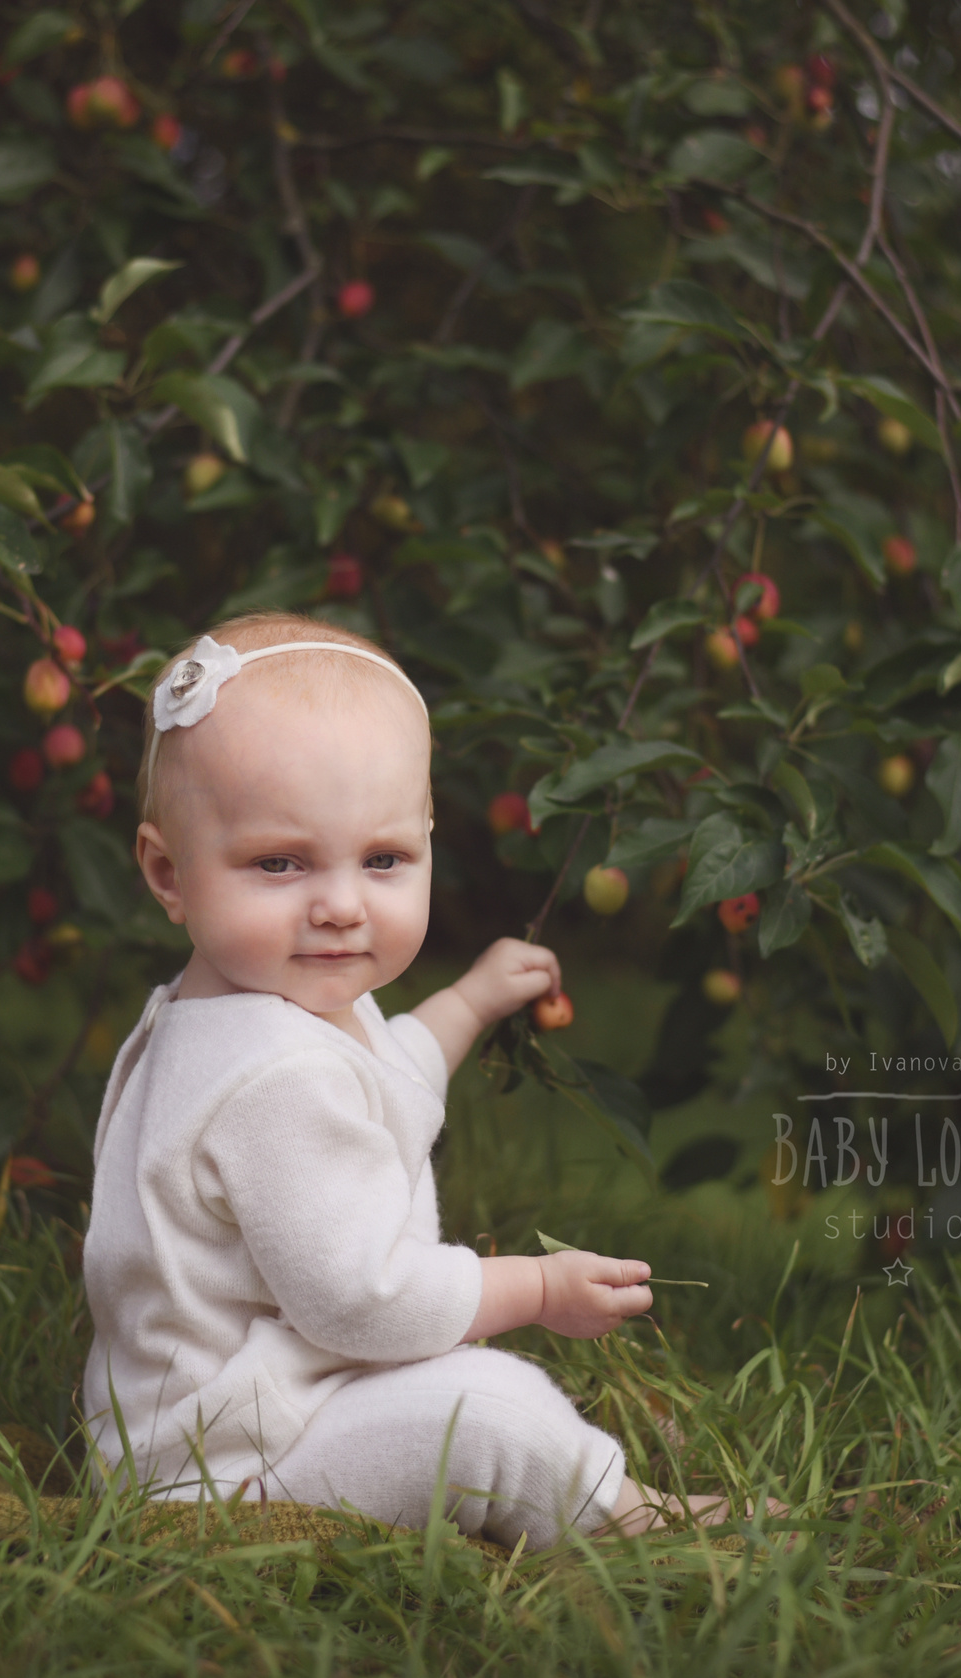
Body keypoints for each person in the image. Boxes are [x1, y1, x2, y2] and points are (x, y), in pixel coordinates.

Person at [77, 612, 755, 1551]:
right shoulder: (271, 1074)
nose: (341, 904)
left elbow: (378, 1075)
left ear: (428, 842)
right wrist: (536, 1286)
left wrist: (469, 1002)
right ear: (169, 871)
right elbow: (363, 1298)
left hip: (231, 1411)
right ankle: (635, 1524)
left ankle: (603, 1495)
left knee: (465, 1390)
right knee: (486, 1410)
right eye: (280, 862)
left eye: (384, 859)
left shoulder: (239, 1008)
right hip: (228, 1470)